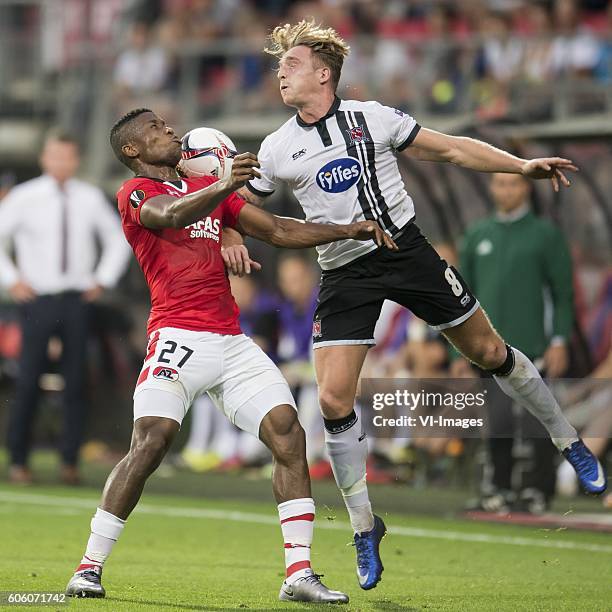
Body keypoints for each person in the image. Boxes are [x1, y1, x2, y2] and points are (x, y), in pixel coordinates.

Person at [235, 19, 608, 591]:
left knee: (489, 351)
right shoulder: (278, 147)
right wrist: (233, 234)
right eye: (280, 64)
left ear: (324, 74)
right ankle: (364, 527)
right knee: (334, 398)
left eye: (293, 63)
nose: (281, 70)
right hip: (343, 269)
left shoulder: (373, 117)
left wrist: (520, 165)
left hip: (406, 250)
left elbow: (455, 150)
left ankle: (567, 440)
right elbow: (247, 206)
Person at [65, 107, 396, 603]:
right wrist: (223, 184)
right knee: (151, 442)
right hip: (177, 337)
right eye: (156, 129)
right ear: (132, 150)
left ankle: (299, 574)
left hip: (232, 342)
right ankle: (88, 567)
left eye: (167, 124)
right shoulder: (137, 193)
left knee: (288, 431)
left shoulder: (210, 196)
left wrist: (348, 230)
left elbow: (280, 230)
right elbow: (172, 216)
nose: (169, 130)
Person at [0, 130, 131, 485]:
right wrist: (11, 278)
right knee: (28, 381)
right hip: (37, 299)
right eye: (55, 155)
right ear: (45, 158)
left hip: (76, 300)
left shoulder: (88, 197)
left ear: (76, 160)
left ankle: (70, 461)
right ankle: (19, 460)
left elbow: (117, 237)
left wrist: (102, 279)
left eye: (67, 156)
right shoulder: (25, 198)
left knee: (76, 383)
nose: (61, 163)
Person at [455, 172, 574, 513]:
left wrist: (559, 340)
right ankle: (500, 489)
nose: (505, 190)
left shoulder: (546, 235)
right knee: (499, 420)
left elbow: (563, 294)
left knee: (540, 418)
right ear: (491, 187)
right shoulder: (477, 235)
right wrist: (459, 351)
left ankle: (538, 490)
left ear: (526, 188)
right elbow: (460, 298)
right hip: (487, 350)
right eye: (499, 183)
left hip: (534, 346)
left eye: (513, 184)